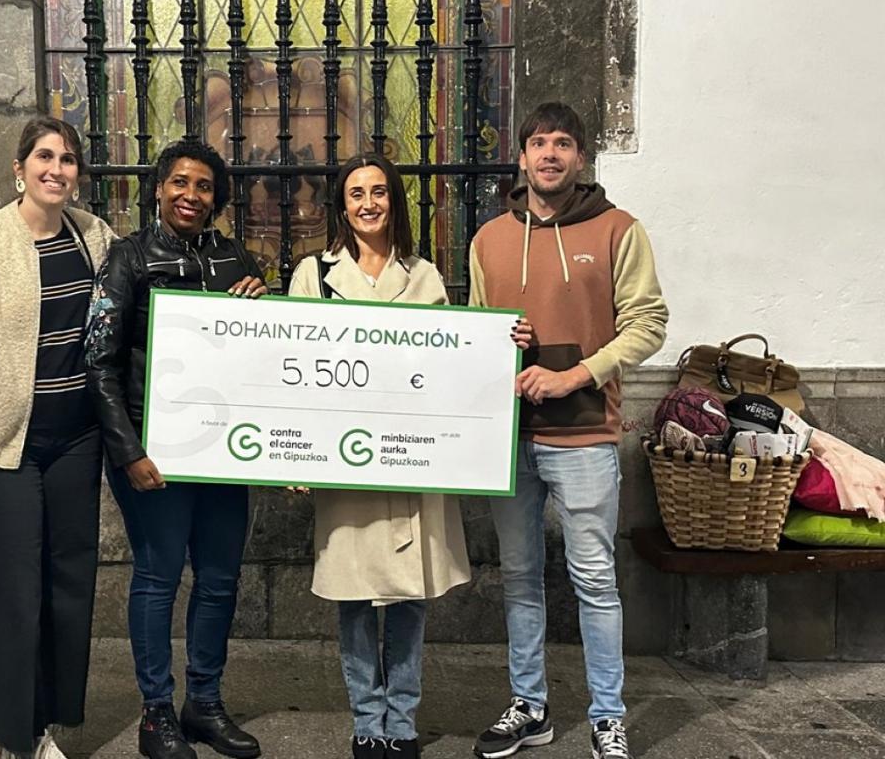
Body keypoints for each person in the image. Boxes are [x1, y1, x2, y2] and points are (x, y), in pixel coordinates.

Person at [468, 102, 668, 759]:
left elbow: (647, 324)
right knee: (520, 576)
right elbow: (475, 334)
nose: (549, 154)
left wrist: (576, 373)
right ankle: (531, 705)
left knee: (593, 579)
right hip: (509, 439)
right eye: (538, 143)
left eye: (563, 143)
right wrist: (501, 341)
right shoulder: (489, 239)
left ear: (580, 157)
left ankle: (608, 715)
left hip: (583, 435)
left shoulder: (619, 230)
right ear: (521, 157)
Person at [0, 116, 116, 759]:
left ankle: (42, 728)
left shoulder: (95, 237)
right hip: (5, 444)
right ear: (19, 167)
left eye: (67, 160)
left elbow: (137, 301)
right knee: (8, 591)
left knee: (67, 585)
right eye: (44, 156)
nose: (56, 169)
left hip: (76, 441)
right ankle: (3, 736)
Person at [287, 153, 476, 759]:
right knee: (353, 595)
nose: (368, 204)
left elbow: (450, 368)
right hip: (346, 465)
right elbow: (291, 373)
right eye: (355, 194)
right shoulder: (313, 275)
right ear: (341, 206)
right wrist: (292, 455)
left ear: (394, 199)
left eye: (378, 192)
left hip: (412, 464)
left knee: (411, 598)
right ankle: (367, 720)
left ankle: (402, 721)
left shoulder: (425, 277)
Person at [84, 139, 267, 759]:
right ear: (159, 189)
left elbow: (252, 358)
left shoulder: (234, 257)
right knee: (159, 576)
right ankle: (156, 712)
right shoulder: (127, 259)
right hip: (153, 449)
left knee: (219, 579)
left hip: (220, 451)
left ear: (218, 198)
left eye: (205, 186)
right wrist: (128, 451)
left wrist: (259, 315)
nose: (192, 195)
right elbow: (99, 364)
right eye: (180, 183)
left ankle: (205, 705)